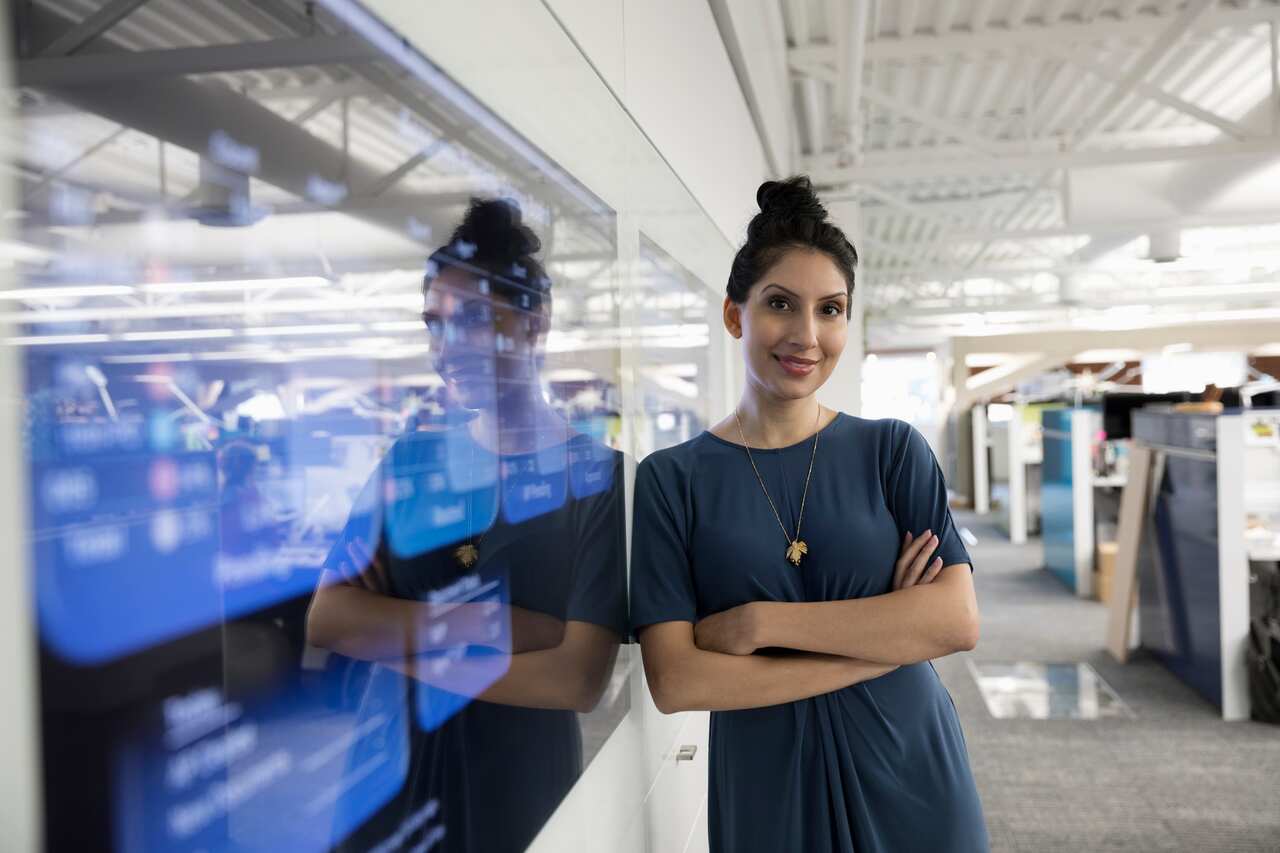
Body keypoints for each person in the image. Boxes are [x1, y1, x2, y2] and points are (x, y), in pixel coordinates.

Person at [629, 176, 989, 852]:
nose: (806, 334)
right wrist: (885, 641)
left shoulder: (891, 451)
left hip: (912, 768)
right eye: (780, 304)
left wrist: (763, 622)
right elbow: (677, 680)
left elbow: (956, 621)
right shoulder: (671, 480)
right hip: (768, 786)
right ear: (735, 315)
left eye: (831, 309)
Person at [306, 198, 627, 852]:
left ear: (535, 323)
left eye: (476, 318)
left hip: (520, 784)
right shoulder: (412, 460)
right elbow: (328, 618)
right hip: (391, 772)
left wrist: (397, 640)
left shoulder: (602, 480)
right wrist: (507, 628)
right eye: (435, 324)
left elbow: (577, 679)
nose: (446, 348)